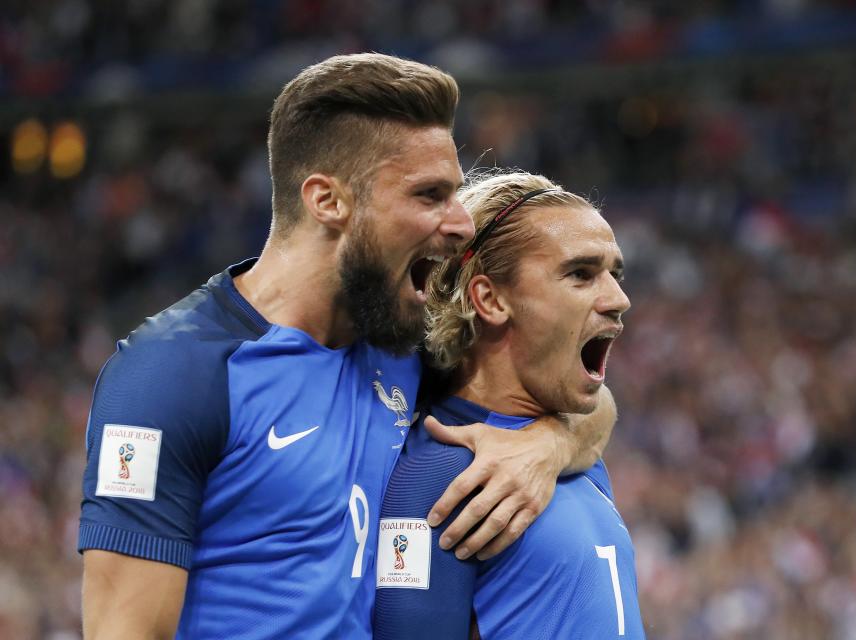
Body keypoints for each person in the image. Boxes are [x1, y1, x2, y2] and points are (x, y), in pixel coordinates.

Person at [78, 54, 615, 639]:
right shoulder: (173, 376)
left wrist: (547, 445)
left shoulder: (401, 345)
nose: (462, 224)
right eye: (430, 195)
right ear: (327, 201)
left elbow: (586, 401)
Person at [373, 171, 645, 639]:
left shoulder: (573, 450)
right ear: (490, 298)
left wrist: (554, 444)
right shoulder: (438, 478)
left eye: (614, 274)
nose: (619, 299)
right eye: (581, 274)